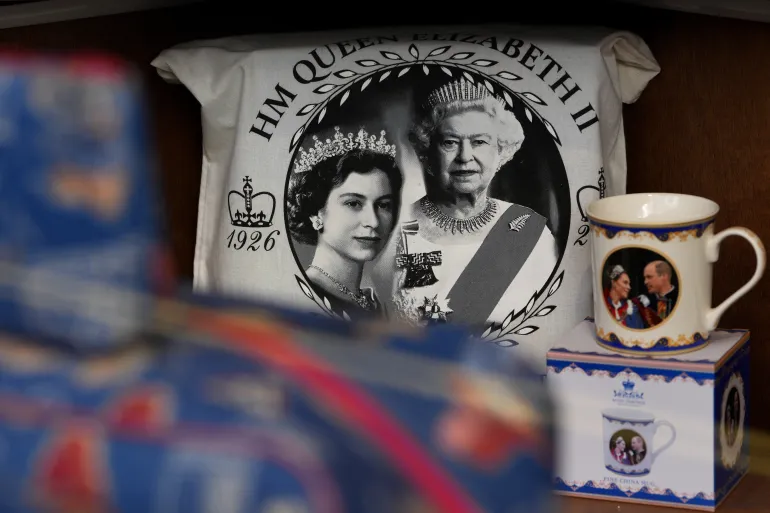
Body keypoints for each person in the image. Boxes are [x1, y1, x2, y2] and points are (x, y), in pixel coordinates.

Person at [391, 79, 558, 328]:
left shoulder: (530, 230)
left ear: (500, 152)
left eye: (479, 142)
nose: (465, 157)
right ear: (427, 153)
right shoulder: (397, 226)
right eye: (450, 142)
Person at [287, 126, 402, 319]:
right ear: (316, 213)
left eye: (383, 205)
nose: (373, 222)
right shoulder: (299, 298)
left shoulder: (372, 302)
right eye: (354, 203)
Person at [604, 265, 657, 329]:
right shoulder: (603, 305)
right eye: (625, 282)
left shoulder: (632, 309)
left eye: (629, 284)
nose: (629, 287)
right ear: (613, 282)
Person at [642, 260, 678, 324]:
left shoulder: (681, 298)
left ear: (664, 276)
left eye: (649, 277)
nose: (645, 282)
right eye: (645, 278)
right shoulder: (642, 301)